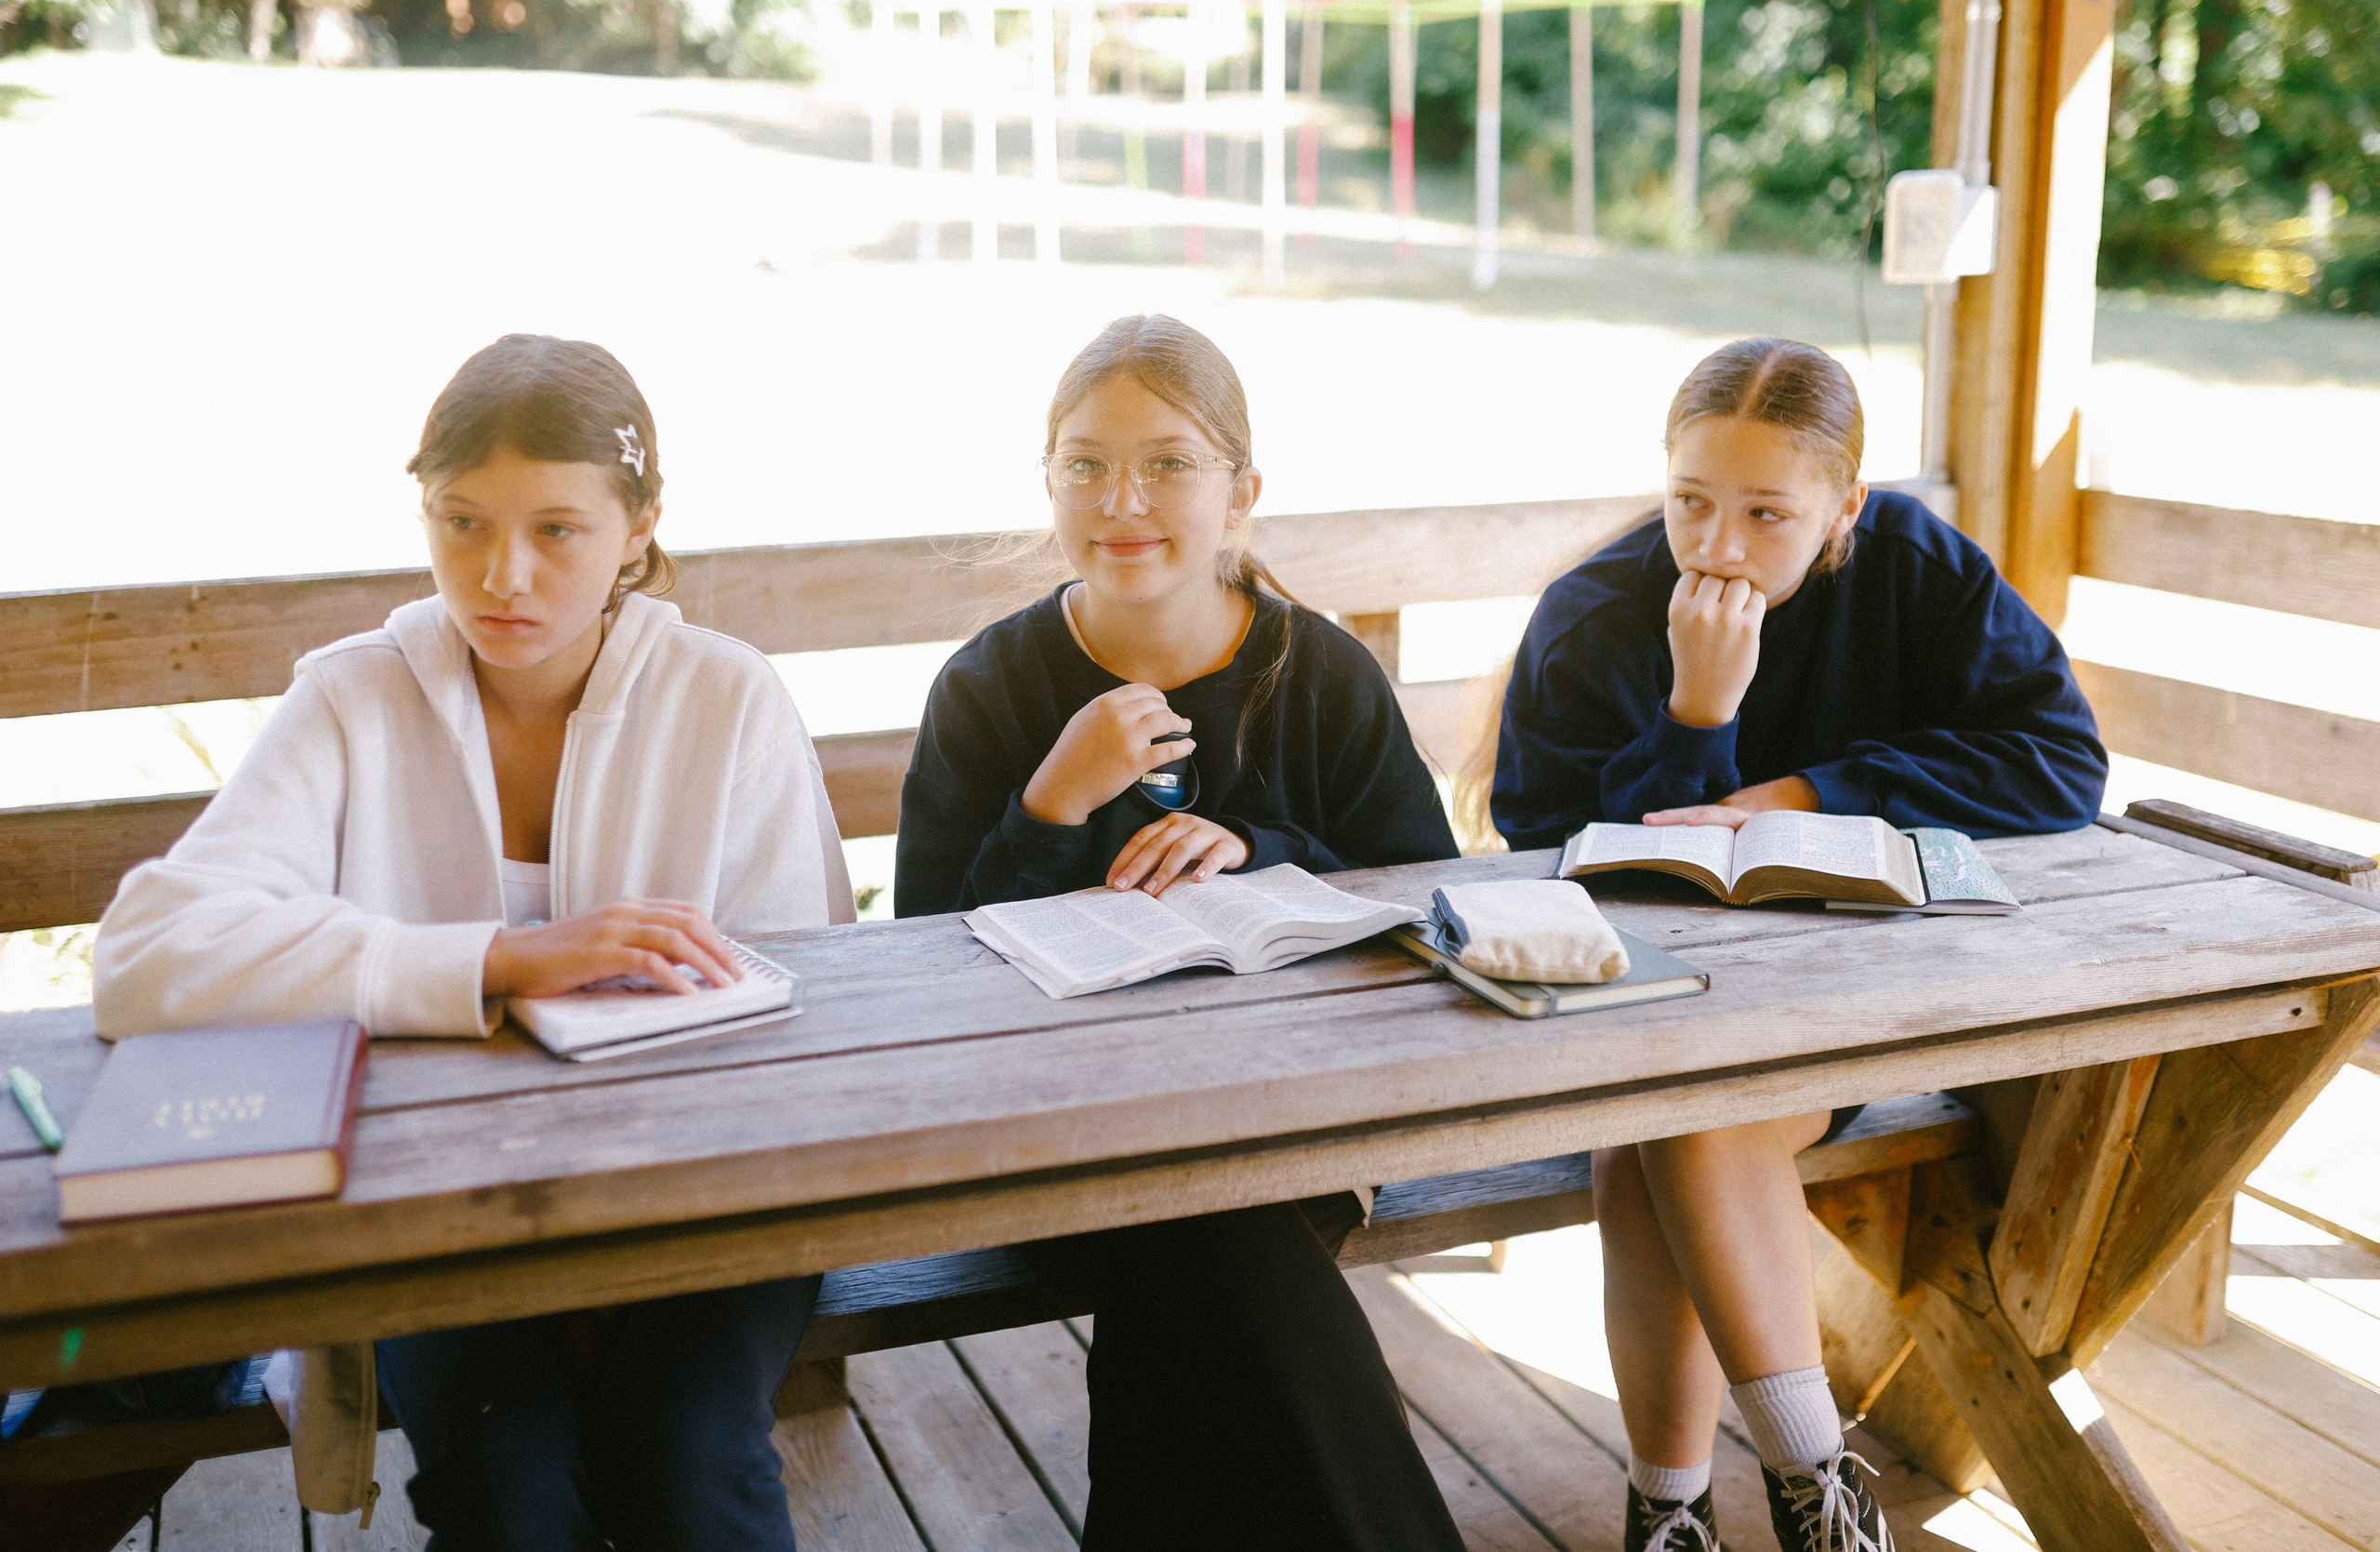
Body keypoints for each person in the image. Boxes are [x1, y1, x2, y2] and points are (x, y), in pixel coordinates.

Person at [95, 334, 854, 1551]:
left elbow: (809, 994)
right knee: (507, 1485)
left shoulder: (726, 696)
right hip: (435, 1213)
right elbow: (147, 952)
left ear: (639, 529)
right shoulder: (354, 696)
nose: (504, 574)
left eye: (558, 528)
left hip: (711, 1208)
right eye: (462, 522)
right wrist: (490, 964)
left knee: (690, 1457)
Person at [1491, 338, 2106, 1552]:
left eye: (1768, 513)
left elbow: (2064, 761)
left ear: (1845, 510)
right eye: (1690, 504)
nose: (1719, 547)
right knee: (1670, 1106)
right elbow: (1541, 843)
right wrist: (1695, 717)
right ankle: (1812, 1499)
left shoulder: (1917, 572)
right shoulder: (1597, 613)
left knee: (1676, 1119)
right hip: (1638, 1015)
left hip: (1858, 1015)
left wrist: (1809, 794)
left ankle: (1674, 1516)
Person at [894, 313, 1465, 1552]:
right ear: (1046, 480)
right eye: (1086, 463)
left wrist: (1264, 852)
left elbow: (1429, 889)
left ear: (1242, 493)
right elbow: (922, 957)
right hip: (1064, 1128)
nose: (1123, 498)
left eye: (1168, 462)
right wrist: (1052, 802)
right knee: (1211, 1240)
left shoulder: (1314, 673)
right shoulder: (992, 686)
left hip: (1305, 1110)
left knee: (1202, 1248)